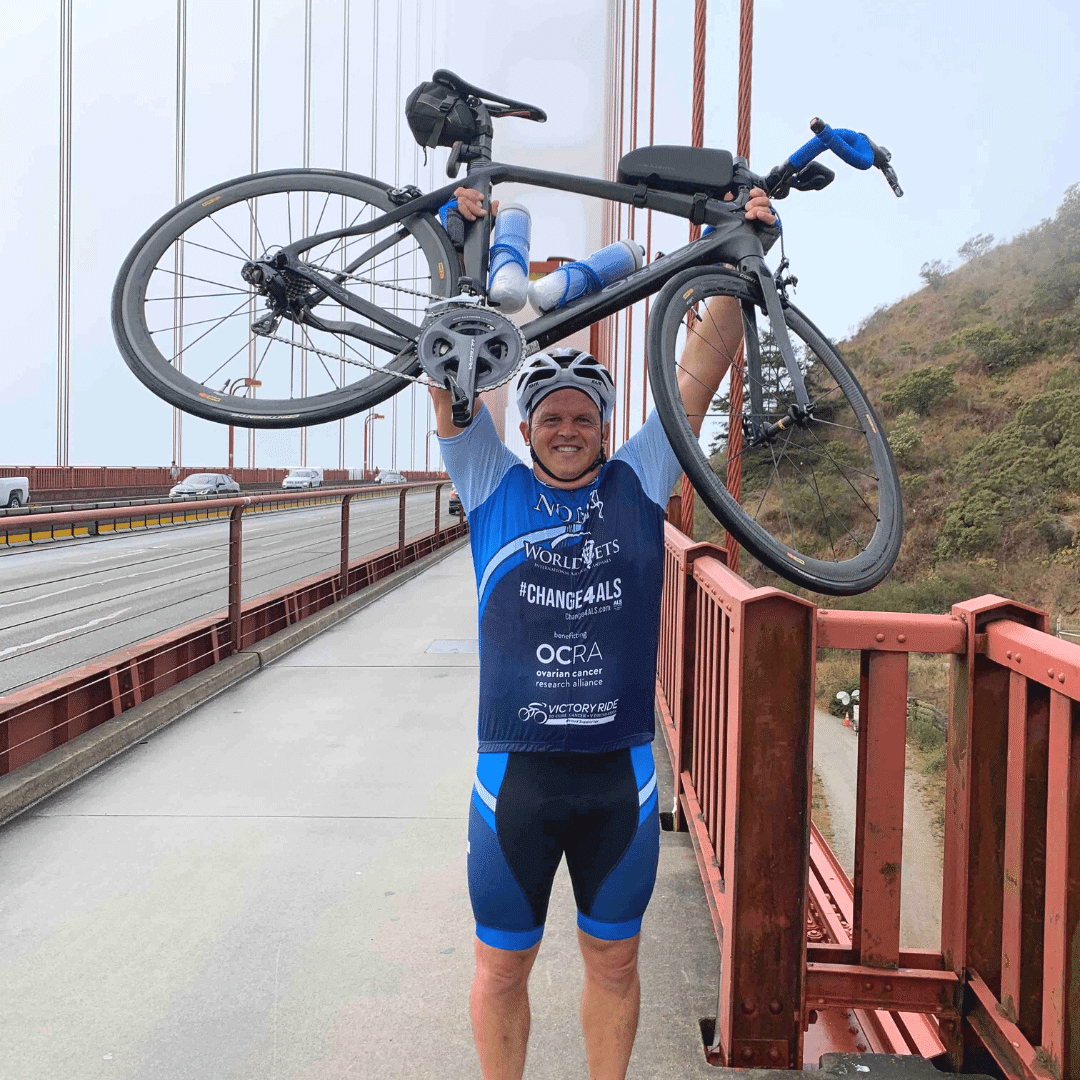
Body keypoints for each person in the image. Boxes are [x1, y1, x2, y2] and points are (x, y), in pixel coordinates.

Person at [431, 185, 776, 1080]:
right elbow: (450, 367)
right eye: (552, 417)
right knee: (502, 966)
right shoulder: (489, 483)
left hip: (616, 775)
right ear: (531, 428)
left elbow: (695, 371)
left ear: (606, 427)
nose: (570, 428)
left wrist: (742, 262)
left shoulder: (639, 478)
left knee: (614, 962)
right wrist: (460, 242)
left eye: (586, 416)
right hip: (516, 777)